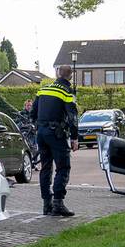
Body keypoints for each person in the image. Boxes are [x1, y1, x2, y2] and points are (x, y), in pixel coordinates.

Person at [31, 66, 78, 217]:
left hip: (41, 134)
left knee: (45, 168)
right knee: (63, 167)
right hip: (57, 134)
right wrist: (74, 138)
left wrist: (39, 126)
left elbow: (32, 113)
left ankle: (47, 204)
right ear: (70, 76)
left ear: (58, 74)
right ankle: (58, 203)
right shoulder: (67, 92)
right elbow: (73, 117)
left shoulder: (43, 90)